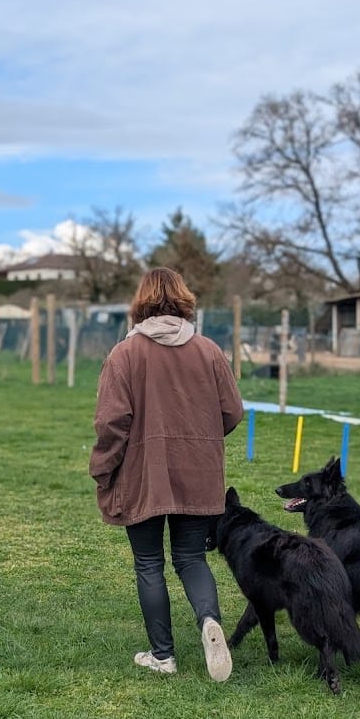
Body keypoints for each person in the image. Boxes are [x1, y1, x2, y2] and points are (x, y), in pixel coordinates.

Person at [89, 267, 245, 681]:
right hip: (199, 471)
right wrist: (201, 439)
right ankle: (209, 622)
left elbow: (110, 422)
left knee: (148, 564)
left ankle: (163, 656)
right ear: (184, 300)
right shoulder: (209, 351)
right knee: (191, 558)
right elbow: (232, 412)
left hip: (143, 474)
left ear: (139, 303)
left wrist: (102, 468)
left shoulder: (124, 354)